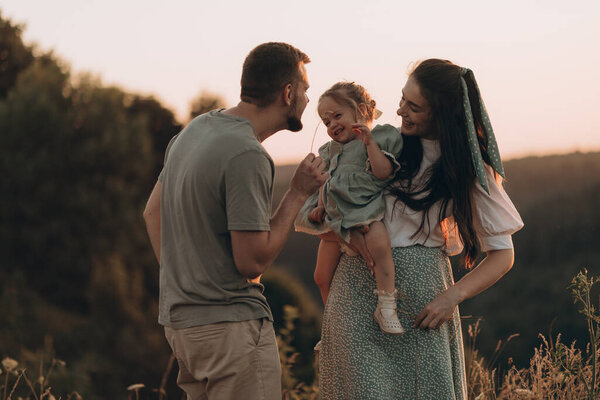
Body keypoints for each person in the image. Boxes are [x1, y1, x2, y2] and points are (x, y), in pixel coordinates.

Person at [318, 59, 524, 400]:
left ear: (442, 113)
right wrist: (345, 230)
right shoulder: (380, 143)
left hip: (424, 305)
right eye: (402, 99)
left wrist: (452, 297)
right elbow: (331, 204)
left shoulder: (465, 167)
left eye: (414, 107)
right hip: (354, 296)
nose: (400, 111)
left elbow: (503, 255)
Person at [142, 42, 327, 400]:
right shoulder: (247, 154)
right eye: (304, 89)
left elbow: (152, 213)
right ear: (287, 93)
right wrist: (297, 193)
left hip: (183, 326)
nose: (307, 98)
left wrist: (189, 280)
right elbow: (251, 261)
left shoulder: (195, 129)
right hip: (230, 332)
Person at [295, 82, 404, 335]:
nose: (331, 124)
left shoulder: (379, 138)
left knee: (380, 248)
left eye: (337, 116)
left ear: (362, 110)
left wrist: (368, 142)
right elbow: (328, 181)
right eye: (326, 122)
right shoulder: (331, 150)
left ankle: (386, 305)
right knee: (321, 276)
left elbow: (383, 173)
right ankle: (331, 326)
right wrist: (321, 206)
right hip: (335, 217)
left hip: (365, 212)